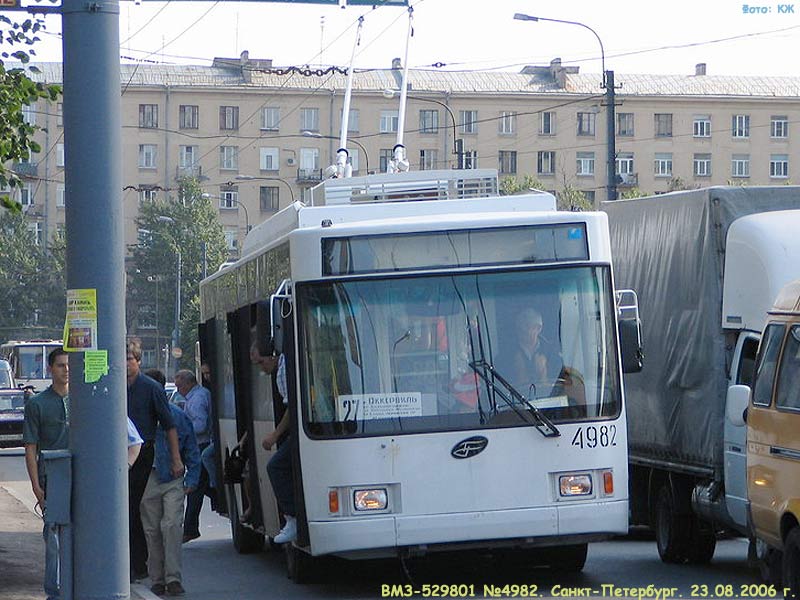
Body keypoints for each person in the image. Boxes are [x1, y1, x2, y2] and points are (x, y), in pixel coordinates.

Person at [140, 368, 200, 598]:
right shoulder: (137, 415)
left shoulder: (177, 415)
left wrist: (192, 478)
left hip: (172, 477)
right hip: (148, 479)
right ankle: (157, 579)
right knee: (152, 530)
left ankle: (173, 578)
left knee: (172, 526)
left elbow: (192, 449)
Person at [127, 341, 182, 582]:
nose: (126, 364)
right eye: (123, 359)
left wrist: (176, 459)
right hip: (117, 454)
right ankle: (132, 563)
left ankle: (140, 564)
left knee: (139, 509)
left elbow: (169, 426)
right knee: (125, 510)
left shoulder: (151, 388)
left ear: (138, 361)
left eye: (130, 359)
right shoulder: (112, 385)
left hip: (144, 454)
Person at [22, 348, 69, 600]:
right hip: (51, 479)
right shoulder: (38, 404)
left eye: (69, 365)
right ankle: (55, 593)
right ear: (51, 369)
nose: (66, 370)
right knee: (54, 539)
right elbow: (30, 448)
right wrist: (36, 488)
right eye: (61, 365)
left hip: (80, 478)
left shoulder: (84, 402)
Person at [254, 343, 295, 544]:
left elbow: (293, 408)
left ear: (271, 356)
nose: (261, 368)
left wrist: (275, 435)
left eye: (261, 362)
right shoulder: (283, 367)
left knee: (276, 466)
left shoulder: (284, 370)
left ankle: (292, 517)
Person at [175, 369, 213, 543]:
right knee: (199, 486)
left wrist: (182, 431)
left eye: (179, 385)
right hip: (198, 445)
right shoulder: (195, 396)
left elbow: (200, 426)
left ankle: (190, 529)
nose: (178, 390)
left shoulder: (197, 399)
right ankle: (190, 528)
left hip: (200, 445)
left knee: (196, 486)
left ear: (189, 383)